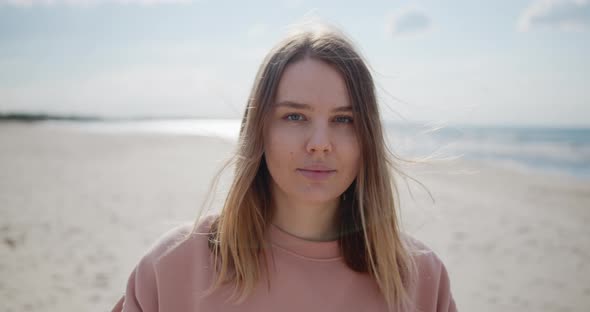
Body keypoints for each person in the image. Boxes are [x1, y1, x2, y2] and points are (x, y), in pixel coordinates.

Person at [111, 23, 457, 312]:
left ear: (367, 136)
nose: (320, 142)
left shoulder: (420, 278)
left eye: (344, 119)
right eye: (295, 116)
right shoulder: (174, 267)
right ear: (259, 130)